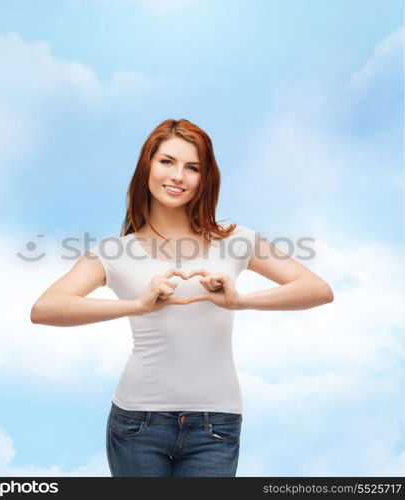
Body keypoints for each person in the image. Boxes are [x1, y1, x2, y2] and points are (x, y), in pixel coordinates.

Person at [30, 118, 334, 477]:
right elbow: (45, 309)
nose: (178, 176)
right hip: (137, 421)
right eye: (167, 162)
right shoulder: (114, 251)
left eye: (192, 168)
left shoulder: (237, 241)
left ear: (205, 179)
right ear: (147, 166)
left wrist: (239, 301)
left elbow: (318, 289)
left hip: (216, 422)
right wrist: (138, 305)